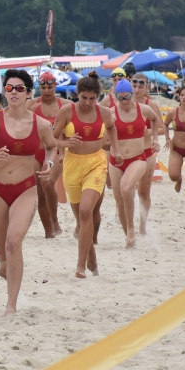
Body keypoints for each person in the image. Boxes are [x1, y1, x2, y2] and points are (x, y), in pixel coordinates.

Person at [0, 70, 56, 315]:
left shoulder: (41, 124)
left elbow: (52, 147)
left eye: (18, 88)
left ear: (28, 92)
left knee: (14, 242)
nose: (13, 93)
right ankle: (4, 263)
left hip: (26, 189)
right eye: (8, 88)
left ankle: (11, 305)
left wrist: (49, 164)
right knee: (1, 252)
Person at [53, 72, 119, 277]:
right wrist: (65, 143)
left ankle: (80, 266)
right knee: (82, 220)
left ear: (98, 97)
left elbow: (112, 128)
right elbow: (50, 139)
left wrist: (115, 150)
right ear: (77, 95)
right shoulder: (66, 111)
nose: (88, 102)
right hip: (72, 165)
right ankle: (92, 260)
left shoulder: (105, 112)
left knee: (86, 210)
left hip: (96, 164)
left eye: (92, 98)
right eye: (84, 98)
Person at [106, 79, 160, 249]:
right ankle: (129, 235)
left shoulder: (143, 109)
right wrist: (113, 150)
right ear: (115, 97)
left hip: (138, 158)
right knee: (120, 201)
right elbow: (102, 139)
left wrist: (155, 138)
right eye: (120, 98)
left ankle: (133, 230)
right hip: (116, 161)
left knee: (126, 188)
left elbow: (155, 119)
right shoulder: (111, 113)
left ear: (132, 95)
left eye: (127, 97)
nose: (124, 101)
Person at [26, 71, 72, 238]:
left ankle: (54, 219)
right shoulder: (32, 105)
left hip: (57, 151)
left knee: (47, 182)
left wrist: (67, 147)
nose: (46, 90)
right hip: (36, 152)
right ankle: (48, 232)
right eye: (43, 87)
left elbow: (72, 130)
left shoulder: (65, 105)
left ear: (55, 86)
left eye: (49, 87)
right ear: (39, 87)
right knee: (39, 194)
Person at [131, 72, 168, 234]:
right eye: (134, 85)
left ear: (146, 87)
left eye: (141, 86)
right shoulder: (124, 103)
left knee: (143, 193)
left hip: (146, 152)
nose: (137, 89)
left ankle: (142, 226)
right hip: (129, 153)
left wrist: (149, 134)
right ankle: (128, 223)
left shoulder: (150, 105)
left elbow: (161, 128)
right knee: (126, 190)